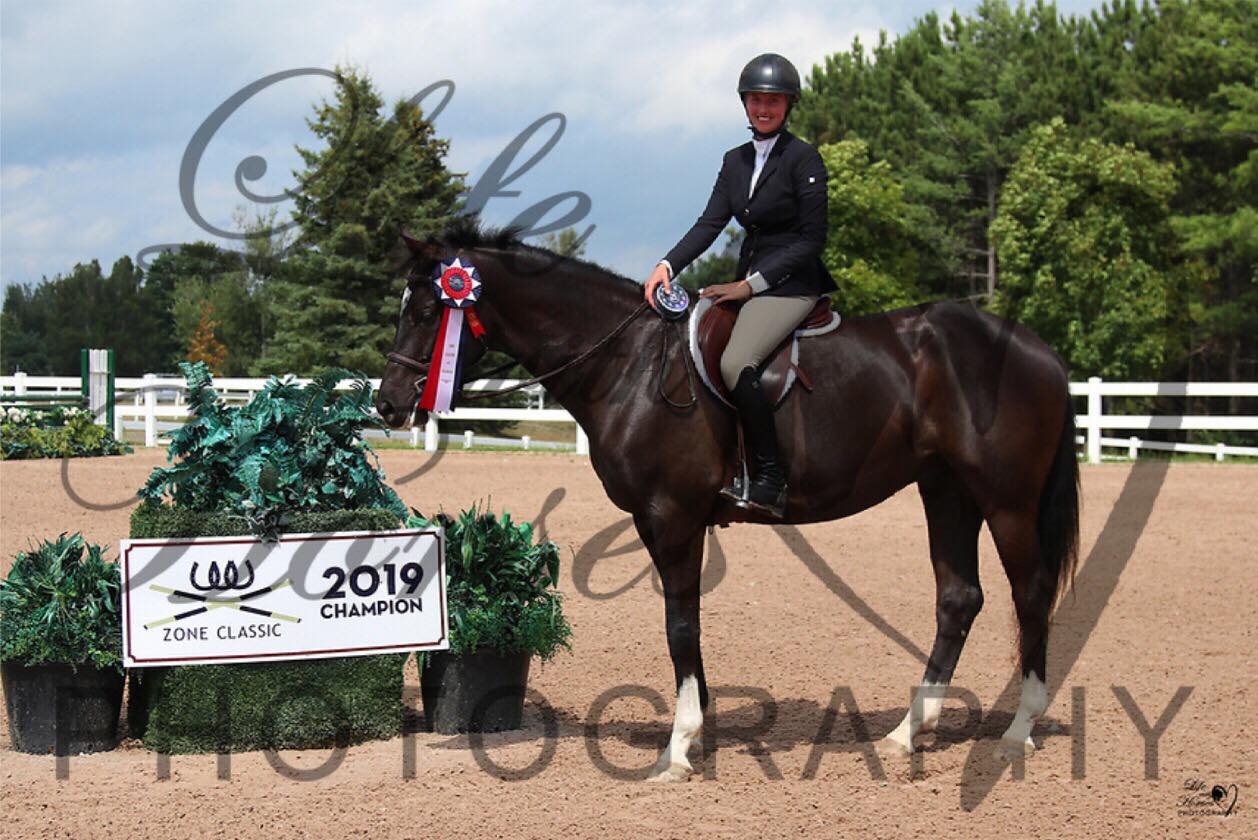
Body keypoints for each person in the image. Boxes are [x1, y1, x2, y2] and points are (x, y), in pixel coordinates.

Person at [645, 52, 838, 520]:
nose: (763, 108)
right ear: (745, 104)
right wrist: (667, 265)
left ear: (788, 105)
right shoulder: (735, 161)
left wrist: (750, 286)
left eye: (772, 100)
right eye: (755, 100)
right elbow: (710, 222)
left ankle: (769, 478)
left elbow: (812, 240)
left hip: (790, 286)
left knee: (735, 362)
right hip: (748, 282)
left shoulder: (803, 158)